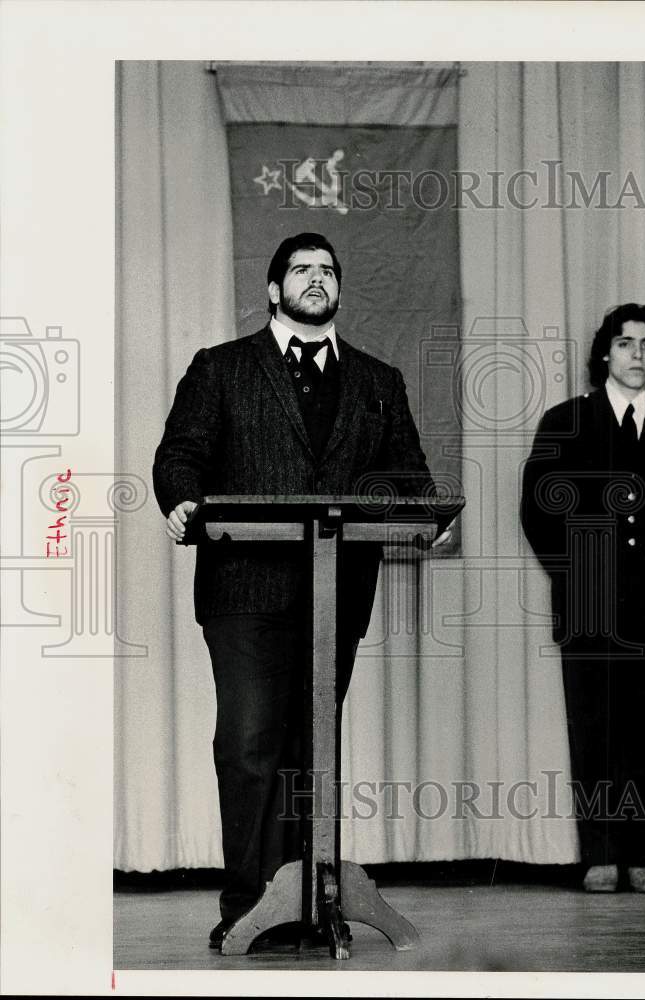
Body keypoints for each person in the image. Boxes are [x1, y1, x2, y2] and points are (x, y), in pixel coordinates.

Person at [153, 232, 439, 948]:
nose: (316, 278)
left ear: (339, 291)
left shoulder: (379, 381)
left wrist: (421, 513)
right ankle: (248, 903)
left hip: (336, 588)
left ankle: (308, 900)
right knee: (250, 741)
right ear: (273, 290)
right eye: (300, 270)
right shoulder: (220, 369)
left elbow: (409, 475)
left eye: (327, 271)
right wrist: (183, 499)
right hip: (243, 584)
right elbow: (181, 452)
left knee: (309, 749)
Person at [520, 303, 645, 893]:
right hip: (588, 602)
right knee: (595, 724)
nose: (637, 356)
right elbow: (538, 513)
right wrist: (579, 578)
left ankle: (642, 851)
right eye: (626, 344)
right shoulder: (565, 420)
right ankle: (600, 851)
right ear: (605, 352)